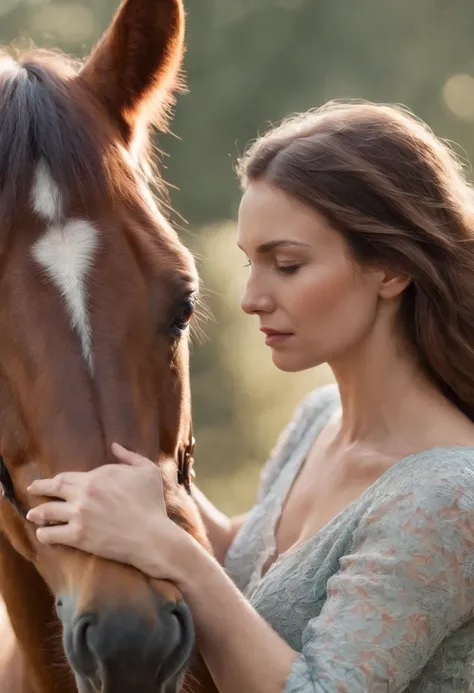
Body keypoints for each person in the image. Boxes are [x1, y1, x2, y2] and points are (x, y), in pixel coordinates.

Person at [26, 101, 474, 692]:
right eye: (249, 262)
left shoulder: (446, 499)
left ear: (390, 270)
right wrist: (148, 491)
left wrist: (173, 552)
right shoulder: (320, 421)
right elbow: (261, 570)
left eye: (286, 265)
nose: (250, 297)